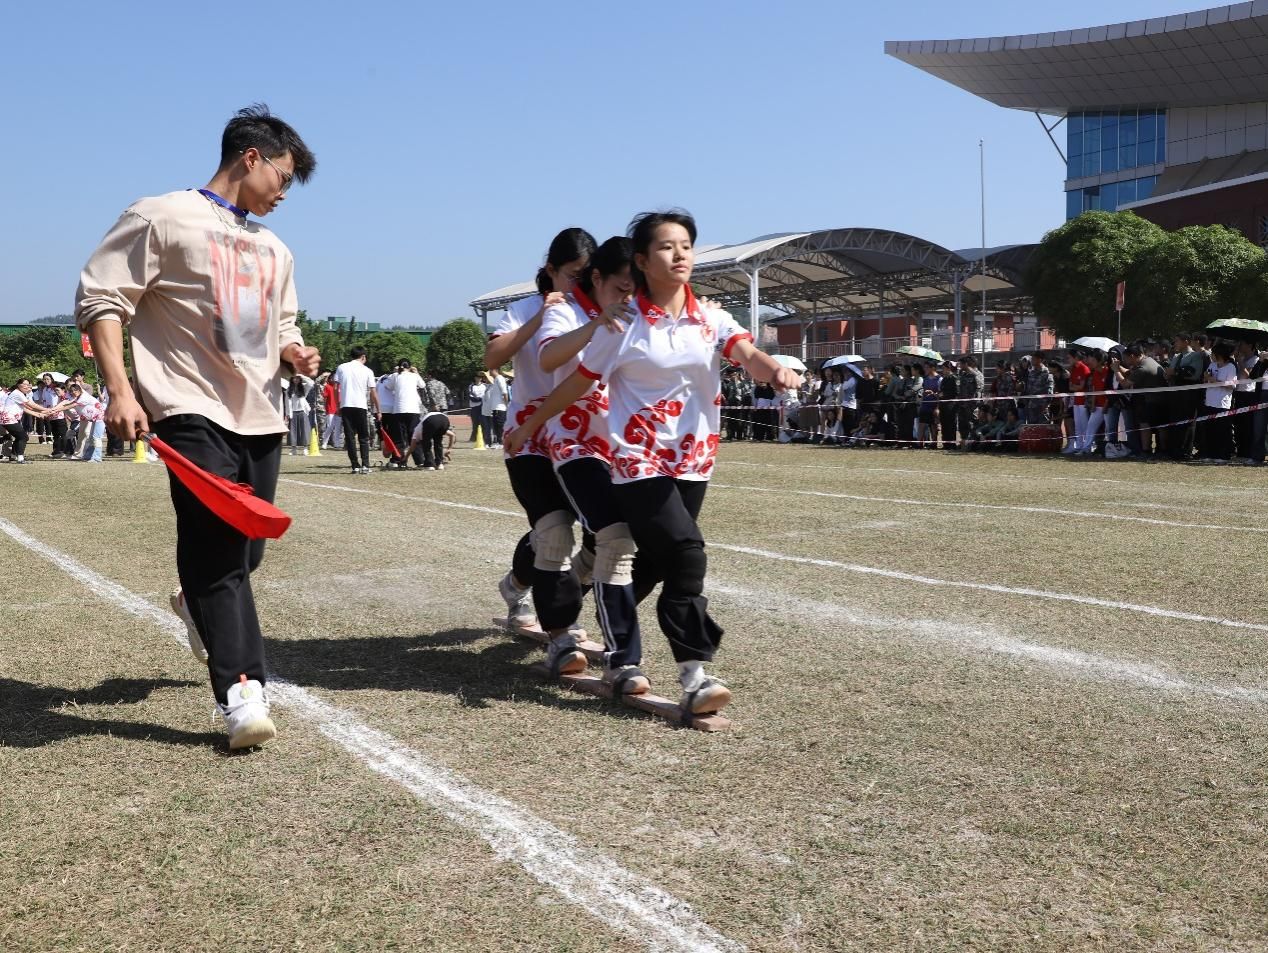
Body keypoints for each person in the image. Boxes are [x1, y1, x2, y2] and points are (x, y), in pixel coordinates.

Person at [75, 104, 318, 749]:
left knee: (246, 551)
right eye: (284, 177)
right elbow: (102, 299)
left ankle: (191, 602)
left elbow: (283, 324)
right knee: (217, 550)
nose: (284, 193)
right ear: (251, 157)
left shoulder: (275, 248)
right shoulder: (160, 216)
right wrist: (121, 390)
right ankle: (243, 694)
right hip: (187, 408)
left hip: (259, 414)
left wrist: (294, 352)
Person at [506, 209, 801, 718]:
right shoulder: (623, 323)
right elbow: (576, 381)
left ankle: (615, 637)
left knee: (658, 562)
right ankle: (694, 674)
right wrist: (531, 423)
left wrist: (774, 369)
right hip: (637, 459)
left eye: (686, 245)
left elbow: (746, 352)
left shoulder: (711, 317)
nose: (679, 254)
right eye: (666, 246)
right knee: (685, 554)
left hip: (693, 458)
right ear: (642, 261)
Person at [532, 235, 647, 693]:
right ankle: (616, 659)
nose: (628, 298)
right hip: (574, 441)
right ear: (596, 278)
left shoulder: (641, 313)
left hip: (625, 446)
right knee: (610, 538)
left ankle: (569, 596)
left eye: (635, 290)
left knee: (624, 545)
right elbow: (548, 357)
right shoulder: (565, 310)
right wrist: (598, 322)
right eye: (621, 288)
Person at [485, 227, 597, 651]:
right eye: (573, 275)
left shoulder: (595, 311)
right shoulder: (524, 308)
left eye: (588, 276)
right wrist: (542, 316)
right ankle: (521, 591)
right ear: (551, 270)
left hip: (582, 436)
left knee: (603, 534)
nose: (580, 285)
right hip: (528, 436)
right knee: (553, 529)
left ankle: (559, 602)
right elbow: (493, 357)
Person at [334, 346, 379, 474]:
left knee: (350, 437)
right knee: (363, 437)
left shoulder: (342, 367)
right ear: (363, 357)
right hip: (360, 406)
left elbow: (336, 388)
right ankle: (365, 465)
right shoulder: (367, 371)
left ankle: (355, 465)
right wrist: (378, 409)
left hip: (346, 405)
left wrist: (338, 405)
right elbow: (373, 392)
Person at [1199, 341, 1237, 462]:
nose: (1212, 355)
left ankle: (1223, 455)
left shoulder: (1231, 367)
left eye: (1213, 353)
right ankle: (1210, 454)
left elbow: (1231, 385)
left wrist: (1213, 380)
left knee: (1222, 430)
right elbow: (1206, 380)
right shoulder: (1212, 365)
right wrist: (1206, 378)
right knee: (1210, 429)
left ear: (1219, 354)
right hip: (1209, 402)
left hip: (1222, 404)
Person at [1, 379, 49, 463]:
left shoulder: (20, 394)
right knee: (23, 437)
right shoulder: (17, 393)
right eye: (25, 384)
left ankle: (13, 455)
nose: (27, 386)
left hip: (10, 419)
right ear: (18, 385)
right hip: (8, 419)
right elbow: (32, 405)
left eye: (28, 385)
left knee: (20, 436)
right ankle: (20, 458)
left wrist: (38, 414)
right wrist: (47, 410)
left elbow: (26, 408)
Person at [391, 358, 425, 467]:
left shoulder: (395, 376)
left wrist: (395, 372)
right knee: (414, 435)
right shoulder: (414, 376)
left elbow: (388, 386)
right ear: (409, 367)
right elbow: (422, 385)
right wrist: (416, 372)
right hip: (413, 409)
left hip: (399, 410)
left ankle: (399, 460)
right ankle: (419, 460)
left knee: (400, 437)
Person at [284, 373, 314, 455]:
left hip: (302, 411)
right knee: (293, 431)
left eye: (298, 378)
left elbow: (311, 383)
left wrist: (302, 376)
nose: (296, 379)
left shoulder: (304, 387)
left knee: (305, 429)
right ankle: (293, 449)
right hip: (293, 412)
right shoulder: (288, 390)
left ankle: (305, 448)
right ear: (291, 379)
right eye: (294, 378)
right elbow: (287, 403)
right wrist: (287, 414)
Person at [482, 368, 509, 449]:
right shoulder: (495, 380)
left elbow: (505, 393)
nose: (489, 372)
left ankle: (501, 443)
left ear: (495, 370)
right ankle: (498, 442)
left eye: (490, 370)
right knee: (496, 426)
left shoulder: (500, 378)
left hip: (500, 407)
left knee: (500, 426)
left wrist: (507, 405)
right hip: (495, 407)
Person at [320, 372, 343, 449]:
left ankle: (336, 443)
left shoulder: (340, 386)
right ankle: (324, 442)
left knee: (337, 427)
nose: (334, 379)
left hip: (339, 409)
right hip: (330, 409)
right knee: (330, 427)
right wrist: (325, 408)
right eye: (332, 377)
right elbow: (324, 397)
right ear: (330, 379)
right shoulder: (327, 386)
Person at [467, 372, 486, 443]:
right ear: (475, 378)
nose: (478, 379)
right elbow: (471, 397)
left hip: (483, 407)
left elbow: (486, 396)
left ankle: (484, 438)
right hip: (474, 407)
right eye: (477, 377)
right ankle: (473, 438)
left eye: (480, 377)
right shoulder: (471, 386)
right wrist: (480, 399)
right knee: (475, 423)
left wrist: (481, 399)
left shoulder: (484, 386)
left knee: (483, 423)